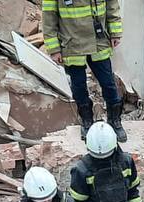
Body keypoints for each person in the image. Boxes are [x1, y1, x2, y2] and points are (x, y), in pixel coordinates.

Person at [41, 0, 126, 140]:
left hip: (99, 42)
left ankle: (115, 121)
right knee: (79, 87)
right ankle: (87, 122)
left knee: (108, 83)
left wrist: (115, 32)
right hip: (72, 44)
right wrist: (54, 49)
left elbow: (112, 5)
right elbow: (49, 19)